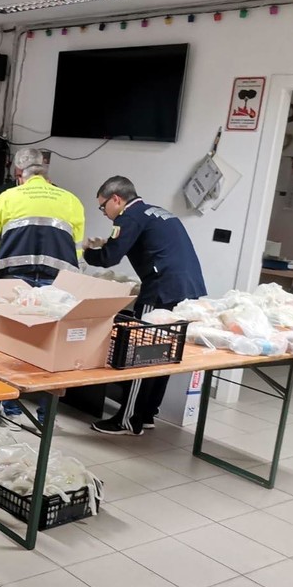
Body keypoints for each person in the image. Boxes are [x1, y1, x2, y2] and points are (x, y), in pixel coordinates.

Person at [84, 175, 207, 435]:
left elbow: (109, 258)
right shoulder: (157, 212)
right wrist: (108, 245)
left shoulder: (128, 217)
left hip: (161, 292)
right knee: (163, 354)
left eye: (103, 206)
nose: (104, 213)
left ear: (116, 199)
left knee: (140, 355)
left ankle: (127, 419)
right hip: (188, 290)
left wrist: (88, 252)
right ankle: (147, 413)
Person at [0, 148, 84, 418]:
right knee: (51, 346)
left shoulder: (6, 198)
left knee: (10, 343)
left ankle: (11, 404)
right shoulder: (71, 200)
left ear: (20, 177)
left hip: (13, 279)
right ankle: (46, 414)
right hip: (57, 283)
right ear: (47, 178)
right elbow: (78, 249)